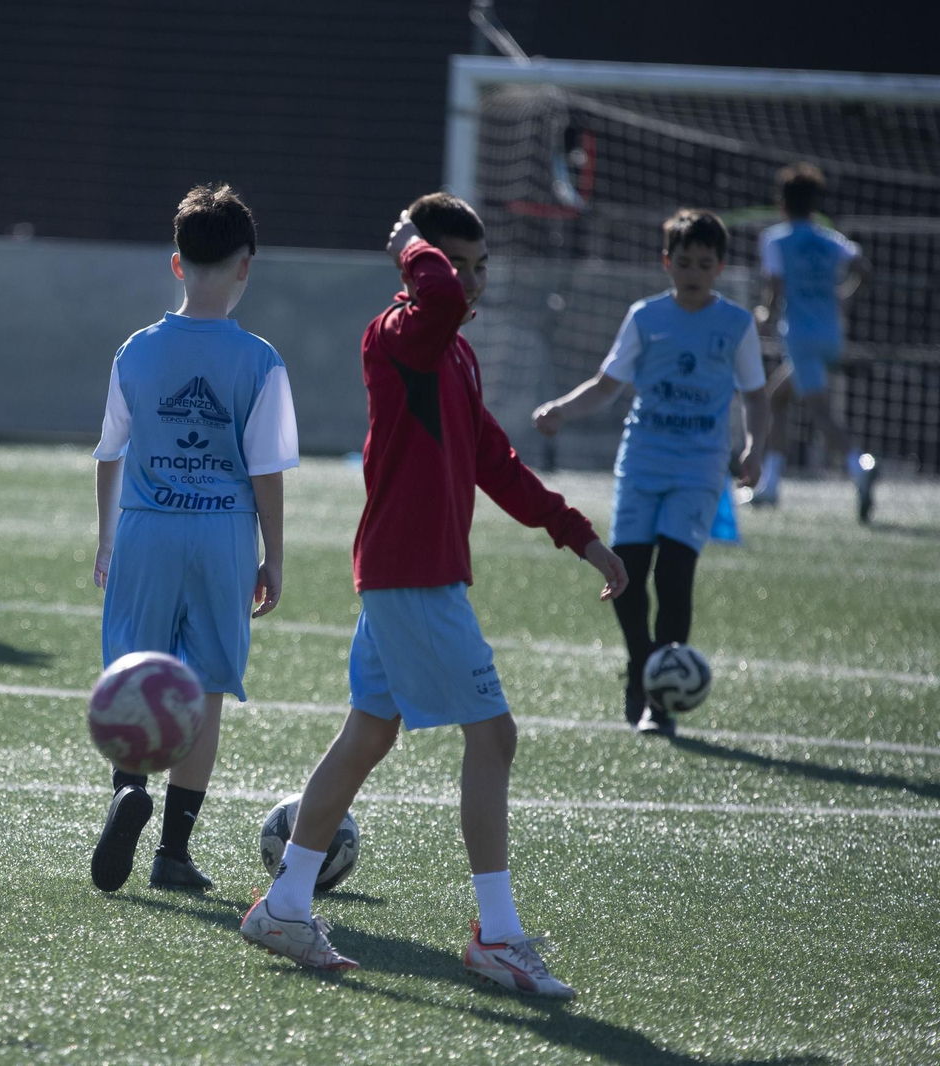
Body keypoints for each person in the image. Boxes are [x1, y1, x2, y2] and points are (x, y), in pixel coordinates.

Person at [239, 194, 627, 998]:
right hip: (411, 574)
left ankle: (284, 903)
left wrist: (580, 536)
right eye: (465, 265)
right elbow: (439, 295)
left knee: (368, 735)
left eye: (481, 267)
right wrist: (417, 248)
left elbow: (498, 463)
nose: (474, 283)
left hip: (410, 573)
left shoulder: (452, 353)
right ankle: (499, 936)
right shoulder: (402, 333)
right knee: (495, 737)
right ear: (428, 265)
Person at [87, 183, 298, 893]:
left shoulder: (135, 351)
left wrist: (105, 540)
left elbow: (109, 453)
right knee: (202, 688)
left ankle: (129, 789)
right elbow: (266, 471)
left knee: (136, 679)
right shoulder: (261, 360)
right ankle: (173, 853)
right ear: (246, 266)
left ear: (176, 263)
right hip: (221, 537)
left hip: (145, 530)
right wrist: (273, 555)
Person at [533, 209, 769, 736]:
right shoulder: (645, 317)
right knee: (627, 575)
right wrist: (561, 410)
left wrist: (753, 446)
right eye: (683, 262)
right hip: (641, 463)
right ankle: (642, 673)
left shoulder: (735, 324)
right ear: (666, 263)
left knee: (674, 574)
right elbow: (605, 382)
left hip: (699, 470)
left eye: (704, 264)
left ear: (720, 267)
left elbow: (755, 395)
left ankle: (659, 703)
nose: (692, 273)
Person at [750, 163, 877, 520]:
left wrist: (764, 314)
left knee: (821, 413)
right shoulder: (829, 238)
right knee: (777, 398)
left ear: (782, 203)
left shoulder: (775, 238)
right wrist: (844, 298)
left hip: (801, 335)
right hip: (832, 333)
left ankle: (860, 466)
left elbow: (775, 288)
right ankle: (770, 486)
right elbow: (864, 268)